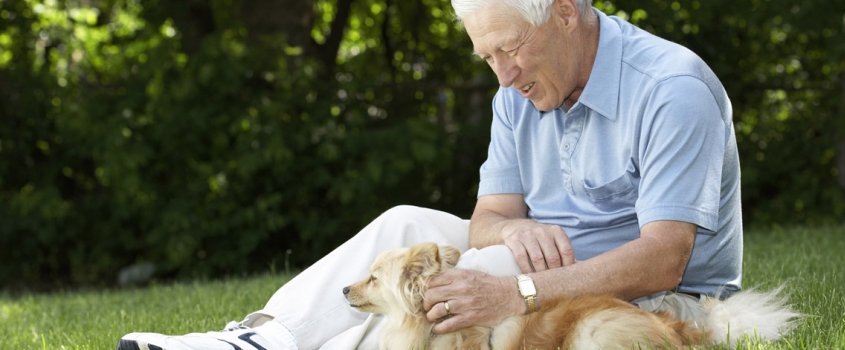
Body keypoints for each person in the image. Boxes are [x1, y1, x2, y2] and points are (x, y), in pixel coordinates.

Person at [117, 0, 742, 348]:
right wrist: (511, 233)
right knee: (405, 224)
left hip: (660, 298)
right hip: (545, 268)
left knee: (470, 279)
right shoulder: (517, 94)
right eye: (487, 55)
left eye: (511, 48)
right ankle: (261, 342)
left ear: (565, 9)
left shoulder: (670, 88)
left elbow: (665, 258)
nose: (502, 75)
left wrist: (514, 288)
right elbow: (487, 218)